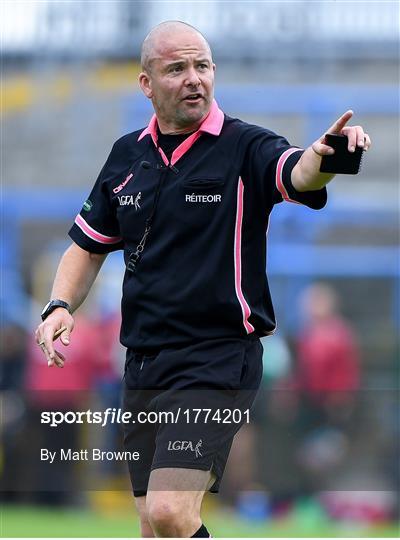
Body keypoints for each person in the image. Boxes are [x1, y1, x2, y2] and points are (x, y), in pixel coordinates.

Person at [34, 20, 371, 538]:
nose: (195, 79)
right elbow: (87, 247)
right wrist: (58, 306)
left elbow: (297, 172)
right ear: (146, 84)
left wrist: (324, 158)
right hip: (144, 359)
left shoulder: (245, 146)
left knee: (171, 513)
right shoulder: (126, 156)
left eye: (203, 66)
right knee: (153, 525)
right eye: (177, 69)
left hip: (216, 356)